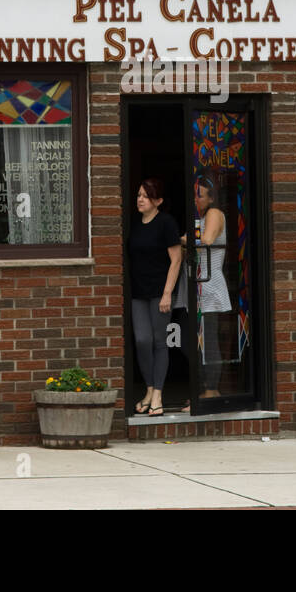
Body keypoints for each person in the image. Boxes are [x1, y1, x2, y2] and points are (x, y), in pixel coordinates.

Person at [129, 177, 182, 416]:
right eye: (139, 194)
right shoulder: (135, 223)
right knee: (142, 341)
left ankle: (158, 394)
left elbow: (176, 259)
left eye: (146, 196)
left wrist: (167, 293)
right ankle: (149, 389)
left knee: (160, 342)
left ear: (158, 201)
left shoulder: (166, 223)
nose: (140, 199)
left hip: (160, 293)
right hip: (138, 292)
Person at [185, 174, 232, 400]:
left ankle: (211, 389)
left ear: (211, 198)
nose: (196, 200)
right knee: (199, 340)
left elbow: (208, 240)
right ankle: (205, 387)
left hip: (211, 285)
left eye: (199, 195)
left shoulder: (214, 213)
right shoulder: (201, 217)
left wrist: (183, 239)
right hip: (202, 285)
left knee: (209, 339)